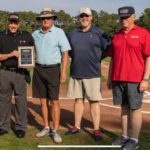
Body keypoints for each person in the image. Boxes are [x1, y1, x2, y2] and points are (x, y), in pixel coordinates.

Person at [107, 6, 150, 150]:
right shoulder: (117, 35)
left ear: (134, 17)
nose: (124, 20)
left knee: (135, 109)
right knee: (124, 108)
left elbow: (148, 57)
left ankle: (135, 139)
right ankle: (125, 136)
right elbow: (113, 59)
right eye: (121, 17)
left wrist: (146, 79)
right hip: (118, 78)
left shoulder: (143, 33)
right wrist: (109, 77)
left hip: (135, 79)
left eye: (126, 17)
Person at [65, 7, 110, 141]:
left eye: (86, 16)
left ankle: (96, 130)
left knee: (94, 102)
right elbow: (68, 50)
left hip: (92, 73)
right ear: (79, 18)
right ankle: (77, 127)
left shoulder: (99, 32)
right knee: (78, 100)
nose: (84, 18)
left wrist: (97, 58)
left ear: (91, 17)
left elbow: (107, 49)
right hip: (76, 72)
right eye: (81, 16)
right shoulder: (72, 33)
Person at [32, 7, 71, 143]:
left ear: (53, 19)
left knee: (54, 101)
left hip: (54, 70)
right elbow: (29, 51)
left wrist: (64, 71)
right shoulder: (35, 34)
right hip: (38, 69)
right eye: (43, 18)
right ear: (40, 20)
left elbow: (65, 53)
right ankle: (46, 127)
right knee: (42, 100)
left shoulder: (59, 32)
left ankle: (55, 130)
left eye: (48, 18)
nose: (45, 20)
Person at [0, 13, 34, 138]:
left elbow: (32, 54)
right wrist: (10, 54)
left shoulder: (26, 35)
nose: (13, 25)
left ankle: (20, 127)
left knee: (21, 101)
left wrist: (29, 62)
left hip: (20, 73)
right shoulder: (1, 35)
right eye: (11, 22)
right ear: (7, 23)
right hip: (5, 72)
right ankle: (3, 126)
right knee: (3, 100)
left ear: (19, 24)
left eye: (15, 23)